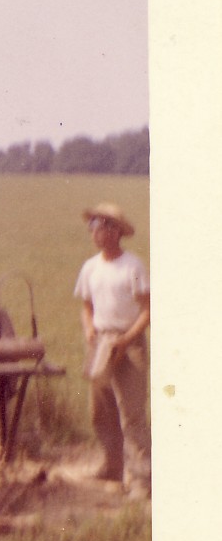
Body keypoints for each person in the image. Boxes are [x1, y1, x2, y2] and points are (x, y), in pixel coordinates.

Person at [73, 202, 150, 488]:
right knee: (100, 411)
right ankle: (112, 466)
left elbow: (148, 311)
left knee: (132, 414)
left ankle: (142, 479)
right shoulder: (90, 268)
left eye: (100, 227)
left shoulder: (133, 266)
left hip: (130, 345)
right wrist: (89, 328)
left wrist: (126, 339)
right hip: (100, 343)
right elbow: (86, 306)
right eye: (92, 227)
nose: (94, 233)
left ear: (115, 231)